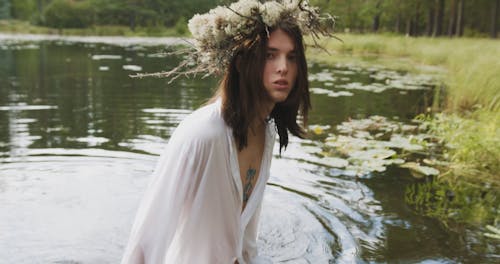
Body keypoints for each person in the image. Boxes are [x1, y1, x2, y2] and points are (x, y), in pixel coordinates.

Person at [120, 1, 333, 263]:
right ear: (243, 64)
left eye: (291, 57)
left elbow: (246, 233)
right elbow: (146, 239)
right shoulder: (202, 134)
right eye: (270, 55)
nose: (283, 68)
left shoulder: (266, 132)